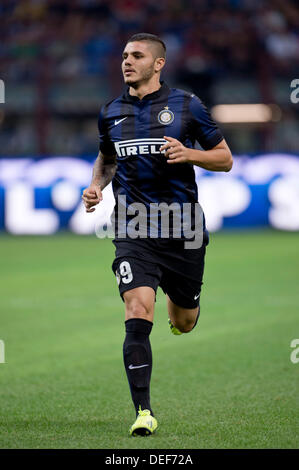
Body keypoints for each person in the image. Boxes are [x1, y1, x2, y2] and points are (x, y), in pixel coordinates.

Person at [82, 33, 233, 436]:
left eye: (137, 56)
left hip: (183, 229)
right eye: (124, 56)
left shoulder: (188, 105)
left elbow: (225, 158)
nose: (127, 62)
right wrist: (96, 185)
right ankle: (143, 412)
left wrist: (191, 154)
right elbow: (106, 157)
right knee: (136, 309)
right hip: (132, 227)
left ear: (158, 64)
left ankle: (180, 304)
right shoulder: (111, 111)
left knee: (183, 322)